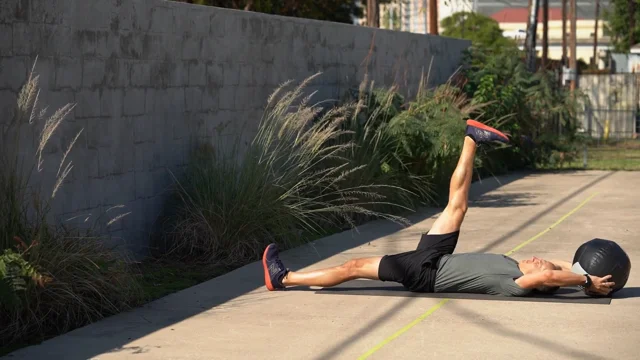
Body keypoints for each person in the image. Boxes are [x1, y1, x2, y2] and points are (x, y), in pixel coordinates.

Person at [261, 120, 615, 297]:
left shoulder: (517, 283)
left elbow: (550, 277)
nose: (541, 261)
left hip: (425, 273)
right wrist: (582, 275)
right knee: (457, 205)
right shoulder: (523, 268)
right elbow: (556, 269)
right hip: (440, 257)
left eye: (542, 267)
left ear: (537, 281)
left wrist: (587, 281)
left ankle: (284, 278)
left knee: (354, 267)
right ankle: (470, 138)